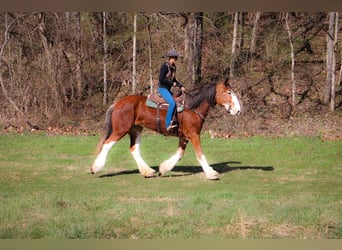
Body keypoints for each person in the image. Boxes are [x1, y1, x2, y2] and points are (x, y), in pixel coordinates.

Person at [158, 49, 186, 131]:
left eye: (176, 58)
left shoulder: (173, 68)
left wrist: (181, 86)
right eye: (175, 58)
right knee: (172, 103)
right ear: (170, 58)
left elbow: (174, 80)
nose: (176, 60)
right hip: (162, 89)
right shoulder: (164, 67)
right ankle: (167, 124)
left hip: (168, 89)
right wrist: (171, 84)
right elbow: (161, 79)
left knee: (178, 102)